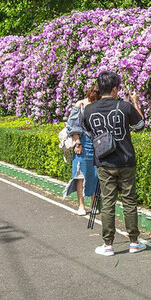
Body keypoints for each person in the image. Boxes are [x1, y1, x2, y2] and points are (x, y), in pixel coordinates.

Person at [83, 71, 146, 257]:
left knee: (108, 202)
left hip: (104, 162)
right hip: (126, 161)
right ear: (114, 88)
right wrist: (135, 102)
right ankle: (134, 241)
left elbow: (88, 130)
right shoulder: (124, 107)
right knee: (129, 201)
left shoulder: (89, 110)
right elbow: (140, 126)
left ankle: (108, 245)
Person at [64, 85, 100, 215]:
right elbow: (73, 125)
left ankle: (94, 203)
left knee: (96, 174)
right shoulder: (81, 105)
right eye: (93, 99)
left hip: (97, 142)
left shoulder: (100, 104)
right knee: (80, 174)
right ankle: (81, 205)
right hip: (83, 141)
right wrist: (77, 142)